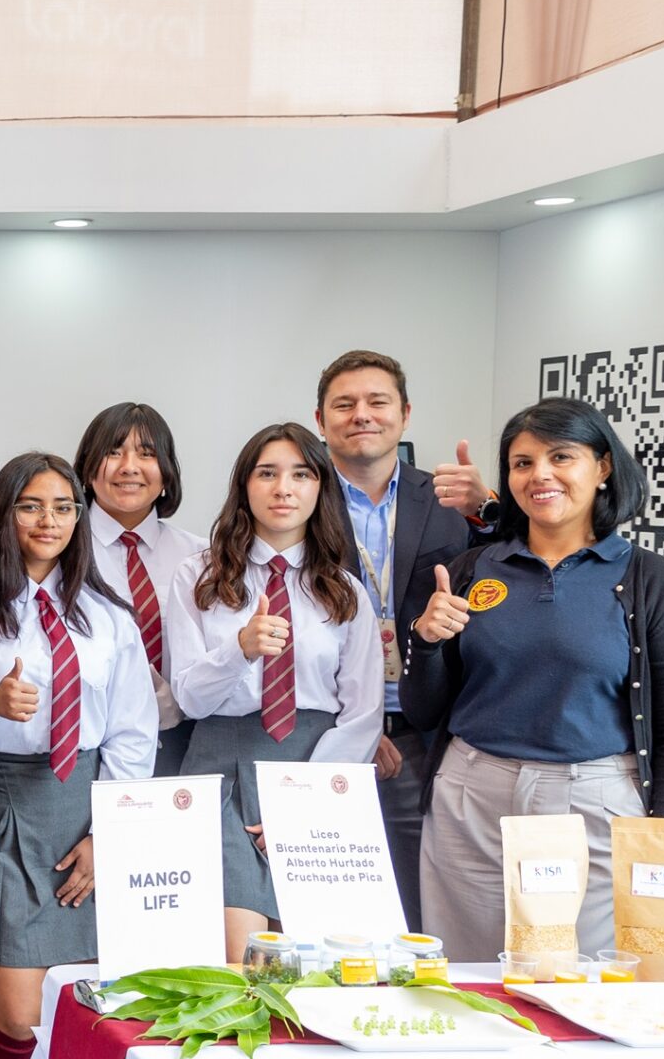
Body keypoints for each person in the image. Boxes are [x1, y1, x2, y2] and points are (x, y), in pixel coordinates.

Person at [403, 399, 664, 962]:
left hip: (593, 807)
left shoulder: (654, 581)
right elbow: (426, 712)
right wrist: (425, 642)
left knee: (579, 986)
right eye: (522, 463)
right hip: (470, 801)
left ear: (603, 468)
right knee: (469, 985)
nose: (539, 474)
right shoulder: (474, 569)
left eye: (560, 456)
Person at [0, 452, 156, 1059]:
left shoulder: (106, 617)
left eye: (64, 506)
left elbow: (135, 732)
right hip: (4, 800)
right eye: (32, 505)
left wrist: (110, 832)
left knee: (84, 997)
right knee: (17, 1007)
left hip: (89, 803)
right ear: (5, 514)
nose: (49, 520)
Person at [165, 421, 382, 954]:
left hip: (315, 774)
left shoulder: (345, 589)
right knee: (240, 961)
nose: (283, 488)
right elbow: (188, 698)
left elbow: (362, 713)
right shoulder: (199, 577)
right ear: (244, 486)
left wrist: (303, 807)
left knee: (308, 964)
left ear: (319, 488)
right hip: (221, 766)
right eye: (267, 474)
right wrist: (239, 648)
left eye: (300, 474)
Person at [310, 350, 489, 931]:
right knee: (322, 908)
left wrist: (488, 508)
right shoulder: (296, 498)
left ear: (405, 415)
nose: (362, 414)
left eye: (377, 402)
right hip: (325, 733)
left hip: (425, 731)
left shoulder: (448, 500)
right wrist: (358, 727)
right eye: (345, 404)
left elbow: (526, 556)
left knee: (419, 906)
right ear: (321, 420)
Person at [73, 403, 208, 776]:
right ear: (87, 468)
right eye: (113, 451)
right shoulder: (59, 549)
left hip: (184, 743)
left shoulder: (200, 557)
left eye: (146, 453)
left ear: (166, 472)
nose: (129, 466)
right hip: (89, 743)